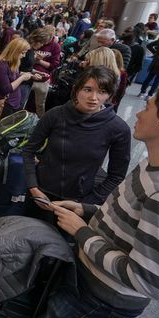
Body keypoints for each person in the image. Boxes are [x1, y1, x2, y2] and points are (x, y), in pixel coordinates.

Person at [41, 80, 159, 318]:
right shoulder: (152, 165)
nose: (139, 113)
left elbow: (148, 281)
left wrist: (81, 233)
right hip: (86, 274)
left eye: (148, 107)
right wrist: (86, 209)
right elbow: (129, 219)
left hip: (100, 299)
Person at [22, 66, 131, 224]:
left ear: (109, 95)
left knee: (61, 246)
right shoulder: (56, 115)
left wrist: (85, 204)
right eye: (88, 89)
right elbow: (28, 149)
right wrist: (33, 187)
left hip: (77, 201)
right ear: (77, 89)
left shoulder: (118, 129)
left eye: (102, 91)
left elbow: (116, 176)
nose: (93, 97)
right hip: (40, 193)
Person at [0, 38, 40, 118]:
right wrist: (22, 77)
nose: (24, 56)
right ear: (15, 51)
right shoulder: (1, 66)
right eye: (22, 53)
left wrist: (30, 75)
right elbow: (7, 89)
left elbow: (13, 75)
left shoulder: (13, 63)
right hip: (4, 106)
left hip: (12, 104)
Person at [30, 26, 62, 117]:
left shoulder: (55, 47)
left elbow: (54, 66)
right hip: (29, 73)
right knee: (23, 100)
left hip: (43, 78)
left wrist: (39, 61)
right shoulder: (36, 41)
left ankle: (40, 122)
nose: (43, 42)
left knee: (40, 104)